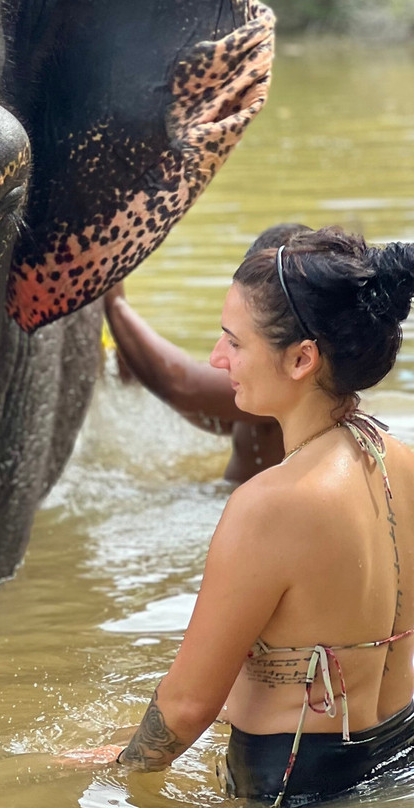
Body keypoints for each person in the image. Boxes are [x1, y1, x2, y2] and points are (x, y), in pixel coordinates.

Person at [85, 226, 414, 805]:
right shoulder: (403, 462)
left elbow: (187, 705)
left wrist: (112, 768)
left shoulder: (269, 505)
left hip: (292, 785)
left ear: (301, 359)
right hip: (396, 753)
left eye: (234, 342)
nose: (217, 358)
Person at [102, 223, 312, 484]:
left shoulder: (283, 376)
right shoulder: (307, 379)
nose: (218, 358)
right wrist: (133, 360)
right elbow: (213, 413)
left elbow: (182, 385)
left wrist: (113, 300)